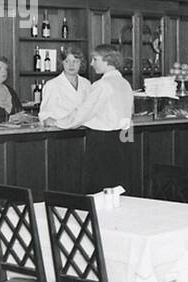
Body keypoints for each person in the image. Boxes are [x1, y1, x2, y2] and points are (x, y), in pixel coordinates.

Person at [53, 45, 135, 193]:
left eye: (95, 59)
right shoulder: (124, 83)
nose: (91, 63)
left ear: (107, 60)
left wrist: (58, 123)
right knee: (118, 186)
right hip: (124, 139)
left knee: (100, 188)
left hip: (102, 141)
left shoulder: (102, 85)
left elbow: (83, 113)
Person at [37, 44, 90, 126]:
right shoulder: (52, 85)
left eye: (75, 61)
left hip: (83, 130)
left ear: (81, 63)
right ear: (62, 63)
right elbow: (45, 115)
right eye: (67, 61)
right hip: (61, 132)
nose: (71, 65)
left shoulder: (86, 84)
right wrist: (57, 123)